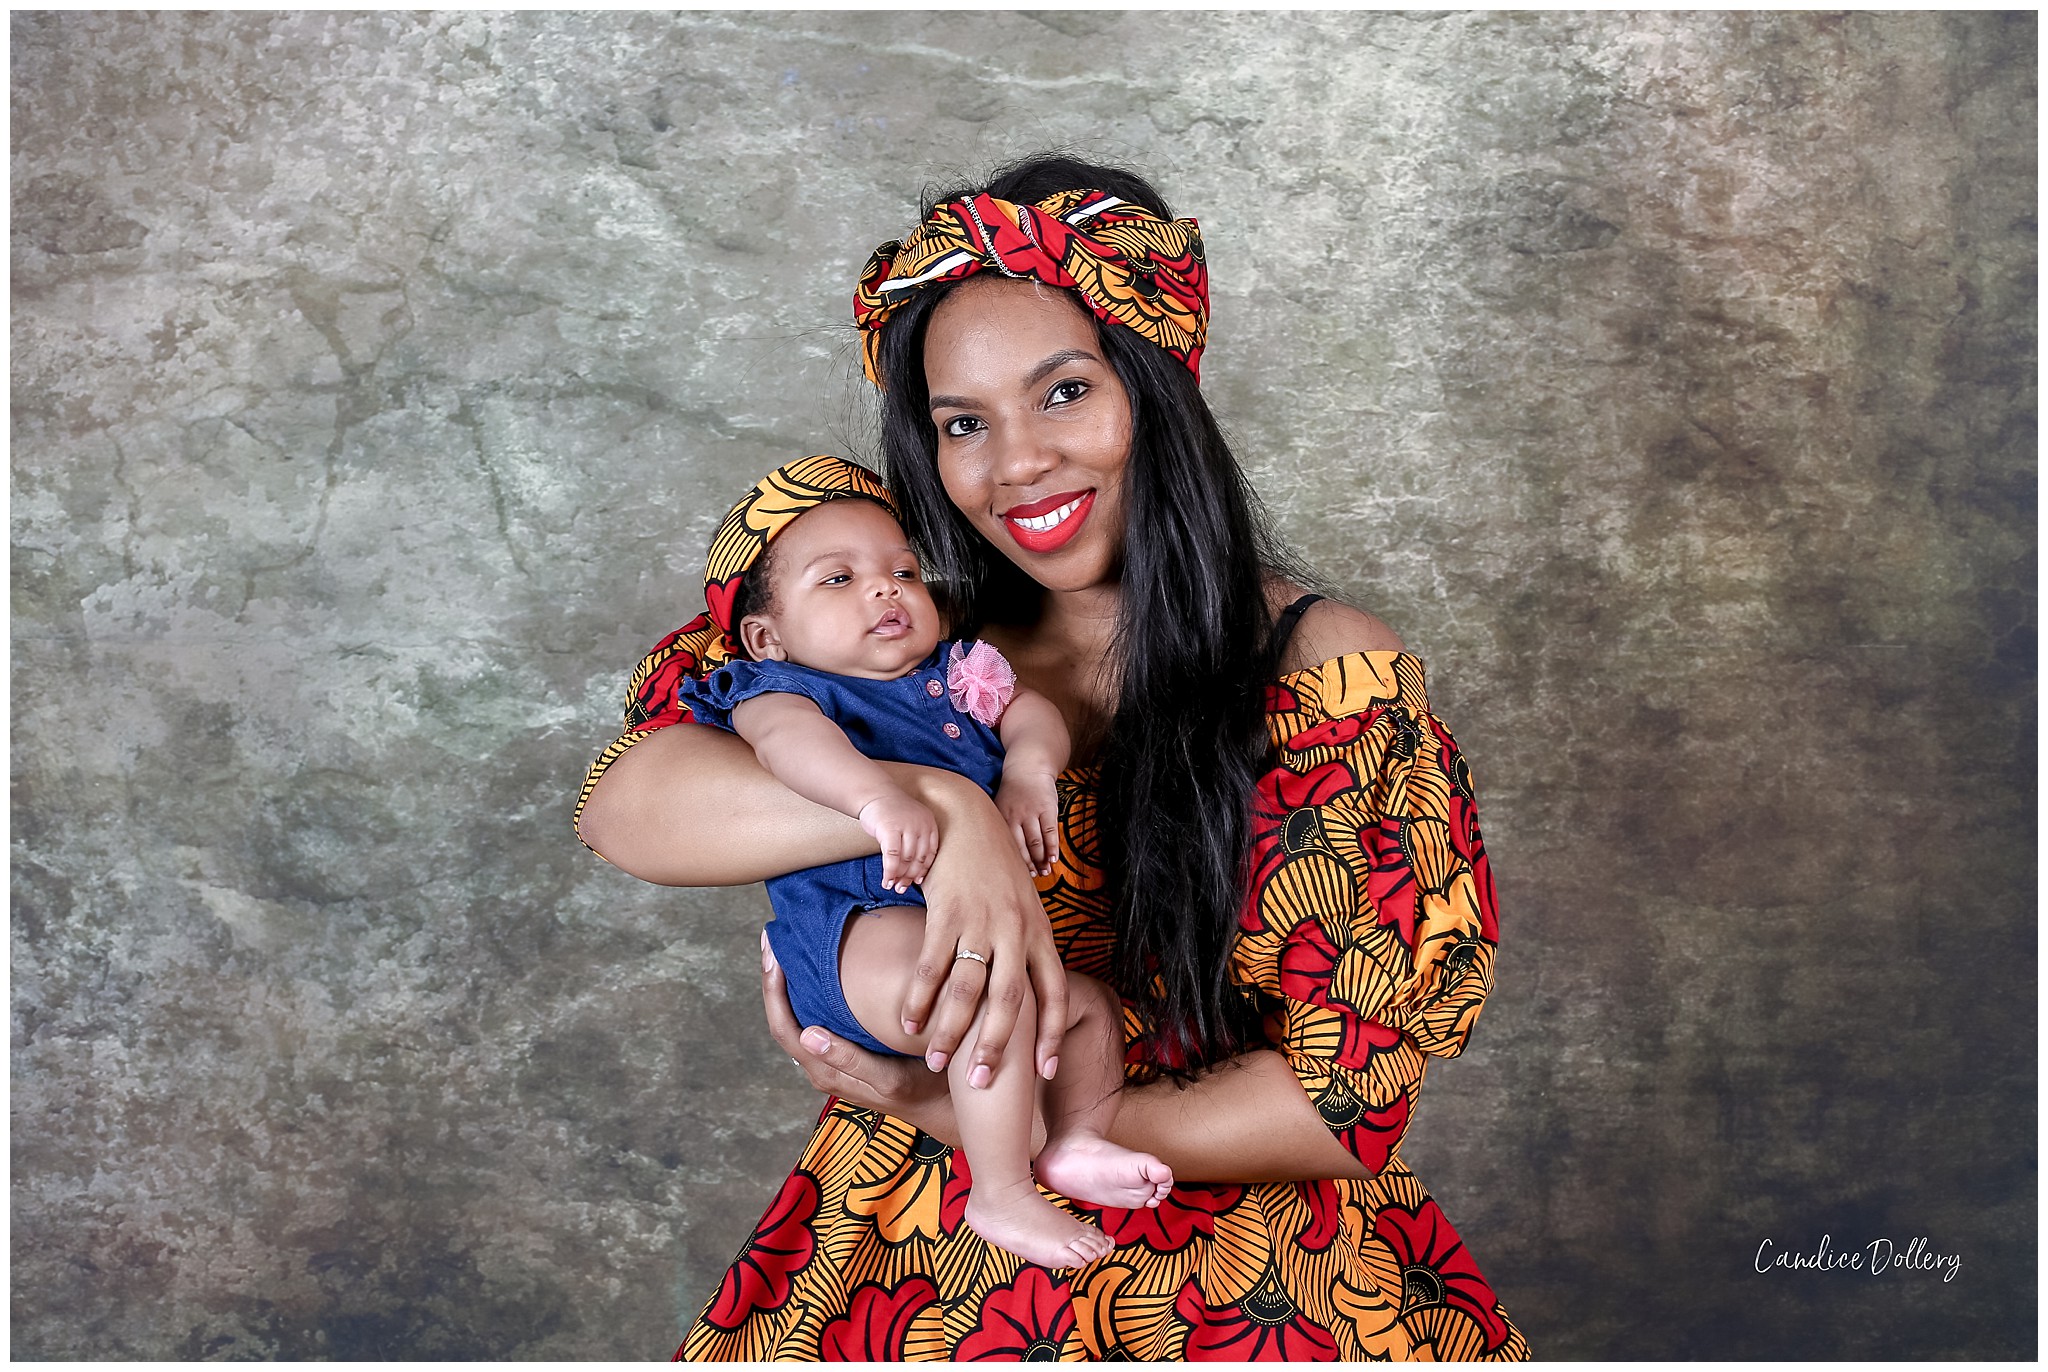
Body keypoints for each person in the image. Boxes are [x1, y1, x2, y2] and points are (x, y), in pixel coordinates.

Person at [575, 153, 1530, 1360]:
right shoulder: (908, 639)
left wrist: (975, 1115)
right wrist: (945, 812)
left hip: (1236, 1280)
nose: (1014, 462)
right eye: (961, 424)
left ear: (1154, 388)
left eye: (1063, 392)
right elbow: (625, 807)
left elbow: (1343, 1107)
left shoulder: (1317, 666)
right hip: (909, 1265)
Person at [669, 459, 1173, 1269]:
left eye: (903, 571)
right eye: (839, 579)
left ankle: (1074, 1141)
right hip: (857, 933)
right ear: (767, 636)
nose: (885, 588)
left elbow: (1034, 713)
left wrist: (1028, 768)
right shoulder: (783, 690)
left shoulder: (959, 672)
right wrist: (876, 798)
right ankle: (1001, 1192)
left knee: (1086, 1010)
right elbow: (792, 749)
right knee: (985, 995)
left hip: (963, 940)